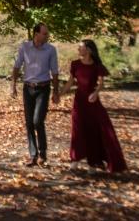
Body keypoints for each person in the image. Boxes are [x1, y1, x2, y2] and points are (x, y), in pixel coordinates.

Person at [67, 39, 127, 173]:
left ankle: (93, 163)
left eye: (80, 47)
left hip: (92, 102)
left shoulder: (97, 66)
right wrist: (59, 93)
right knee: (77, 129)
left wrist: (95, 92)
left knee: (93, 131)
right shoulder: (75, 64)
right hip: (79, 101)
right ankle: (75, 160)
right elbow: (70, 82)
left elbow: (101, 83)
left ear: (88, 50)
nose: (78, 49)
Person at [11, 23, 60, 167]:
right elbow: (16, 67)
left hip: (43, 89)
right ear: (36, 34)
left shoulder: (51, 50)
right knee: (29, 122)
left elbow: (55, 71)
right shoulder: (24, 47)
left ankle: (43, 153)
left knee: (38, 120)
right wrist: (13, 86)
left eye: (47, 34)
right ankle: (33, 155)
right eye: (45, 34)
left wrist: (56, 91)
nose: (47, 36)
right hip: (28, 89)